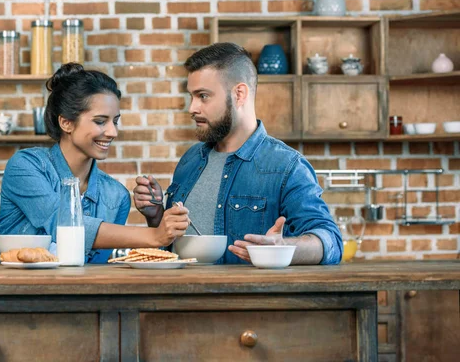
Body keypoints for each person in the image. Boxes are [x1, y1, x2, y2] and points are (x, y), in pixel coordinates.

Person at [133, 43, 342, 265]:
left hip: (247, 300)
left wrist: (284, 248)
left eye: (203, 96)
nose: (192, 108)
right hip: (181, 297)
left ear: (239, 94)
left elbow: (331, 242)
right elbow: (172, 248)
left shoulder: (287, 166)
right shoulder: (190, 161)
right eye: (191, 96)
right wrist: (156, 216)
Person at [0, 63, 189, 263]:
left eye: (115, 121)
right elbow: (63, 223)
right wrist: (155, 234)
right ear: (66, 122)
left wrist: (155, 218)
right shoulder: (26, 166)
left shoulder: (116, 196)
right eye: (100, 121)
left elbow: (90, 267)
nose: (113, 132)